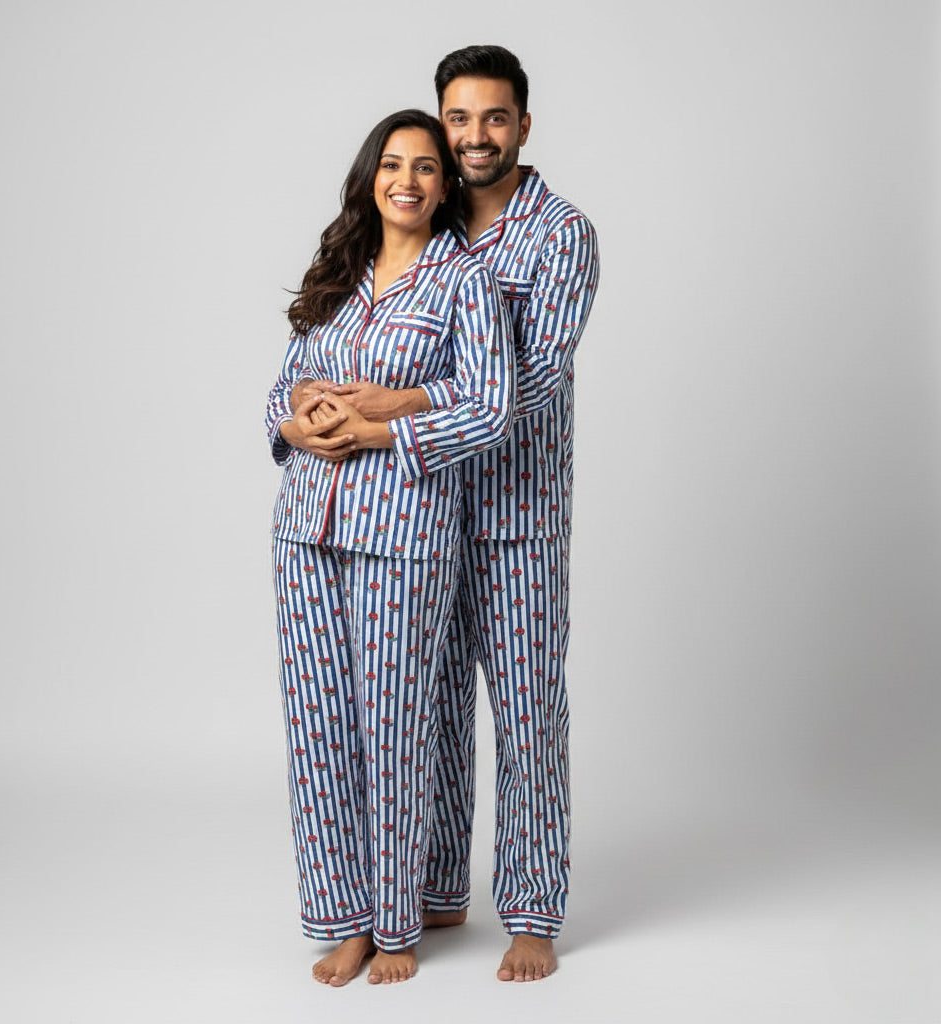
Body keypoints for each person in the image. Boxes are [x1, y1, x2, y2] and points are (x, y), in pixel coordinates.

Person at [292, 46, 600, 983]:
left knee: (526, 710)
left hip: (512, 512)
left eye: (493, 118)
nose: (472, 137)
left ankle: (535, 911)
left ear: (523, 126)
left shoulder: (561, 234)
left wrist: (390, 403)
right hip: (413, 513)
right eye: (457, 119)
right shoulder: (432, 222)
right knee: (422, 710)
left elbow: (528, 381)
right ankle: (429, 886)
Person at [265, 108, 514, 986]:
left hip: (403, 532)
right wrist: (297, 421)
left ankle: (399, 920)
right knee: (320, 728)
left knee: (397, 727)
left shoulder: (463, 281)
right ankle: (346, 916)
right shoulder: (336, 276)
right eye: (392, 164)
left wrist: (387, 425)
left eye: (426, 168)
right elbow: (279, 396)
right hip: (306, 531)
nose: (407, 179)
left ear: (445, 187)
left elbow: (490, 407)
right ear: (371, 177)